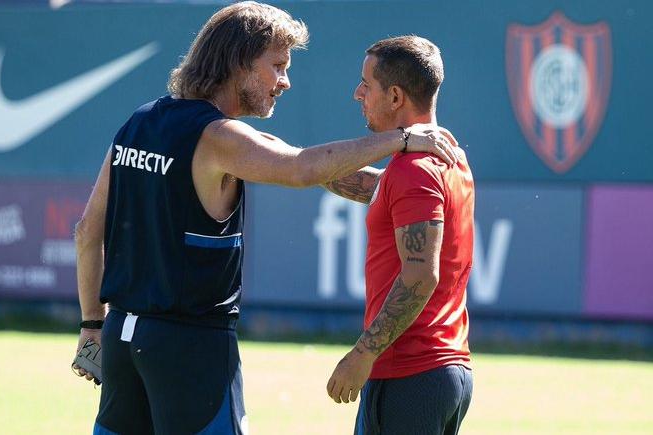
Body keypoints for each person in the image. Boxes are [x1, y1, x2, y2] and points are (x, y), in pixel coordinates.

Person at [71, 3, 459, 435]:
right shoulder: (220, 137)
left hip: (124, 339)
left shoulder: (137, 123)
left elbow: (87, 230)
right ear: (239, 63)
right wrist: (401, 140)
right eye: (277, 66)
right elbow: (299, 167)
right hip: (190, 348)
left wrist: (92, 323)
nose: (285, 81)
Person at [325, 36, 474, 435]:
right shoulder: (446, 158)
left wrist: (362, 354)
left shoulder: (415, 170)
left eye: (366, 85)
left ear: (394, 96)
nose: (357, 94)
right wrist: (292, 165)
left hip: (410, 373)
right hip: (436, 371)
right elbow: (376, 186)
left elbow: (420, 275)